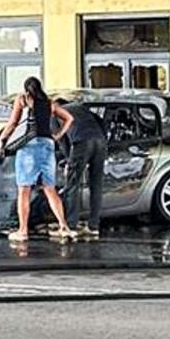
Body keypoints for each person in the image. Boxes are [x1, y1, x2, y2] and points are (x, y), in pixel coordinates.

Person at [0, 77, 75, 243]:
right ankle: (64, 227)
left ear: (27, 89)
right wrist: (58, 135)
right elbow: (69, 118)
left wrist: (2, 140)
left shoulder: (23, 99)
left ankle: (23, 231)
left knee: (24, 190)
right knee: (50, 189)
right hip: (47, 146)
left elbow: (13, 123)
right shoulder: (50, 103)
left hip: (29, 147)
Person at [62, 99, 109, 240]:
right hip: (100, 142)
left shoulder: (55, 113)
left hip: (81, 142)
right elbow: (101, 121)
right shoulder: (80, 107)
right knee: (96, 184)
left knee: (72, 184)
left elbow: (61, 140)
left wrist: (68, 159)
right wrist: (103, 138)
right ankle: (93, 226)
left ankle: (71, 225)